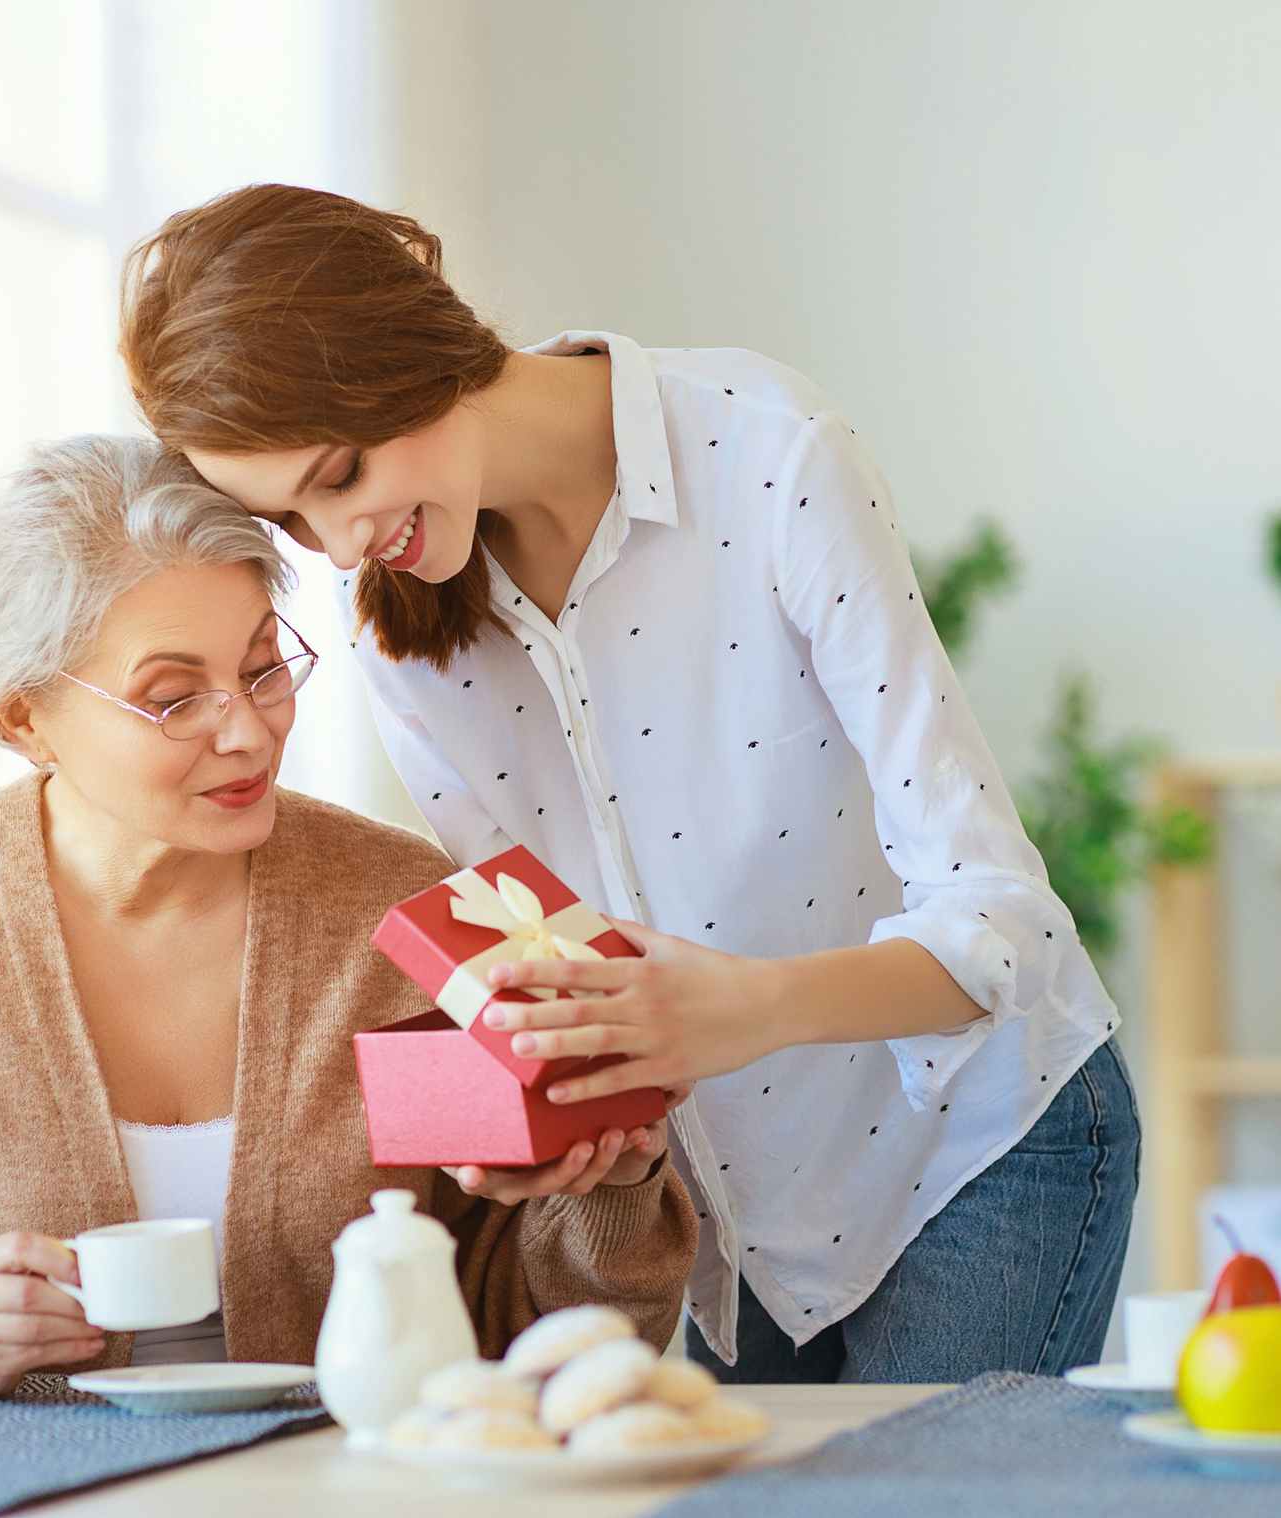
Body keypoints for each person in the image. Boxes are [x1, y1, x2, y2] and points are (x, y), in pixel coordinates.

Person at [117, 185, 1140, 1383]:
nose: (340, 543)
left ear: (410, 347)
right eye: (292, 520)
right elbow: (564, 969)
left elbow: (1003, 919)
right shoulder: (403, 636)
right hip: (739, 1227)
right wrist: (567, 1117)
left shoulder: (766, 455)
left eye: (338, 475)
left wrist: (736, 1011)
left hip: (976, 1148)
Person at [0, 434, 697, 1397]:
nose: (249, 730)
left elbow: (525, 1330)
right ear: (23, 718)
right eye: (175, 699)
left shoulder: (404, 912)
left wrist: (609, 1179)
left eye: (264, 667)